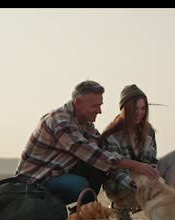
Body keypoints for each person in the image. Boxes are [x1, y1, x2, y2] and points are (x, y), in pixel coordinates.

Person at [14, 80, 160, 209]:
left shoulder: (85, 123)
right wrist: (136, 165)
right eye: (95, 106)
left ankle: (84, 213)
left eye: (100, 105)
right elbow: (94, 155)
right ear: (78, 103)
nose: (100, 111)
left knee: (97, 169)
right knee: (80, 184)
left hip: (57, 173)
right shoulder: (61, 121)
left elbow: (98, 146)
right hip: (35, 182)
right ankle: (47, 209)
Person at [100, 84, 175, 220]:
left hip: (144, 178)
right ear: (125, 108)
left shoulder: (148, 131)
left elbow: (151, 162)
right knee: (135, 182)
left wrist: (158, 183)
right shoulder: (111, 135)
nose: (139, 113)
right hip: (121, 184)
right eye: (135, 109)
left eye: (142, 108)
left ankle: (168, 204)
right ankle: (120, 208)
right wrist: (140, 185)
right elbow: (114, 171)